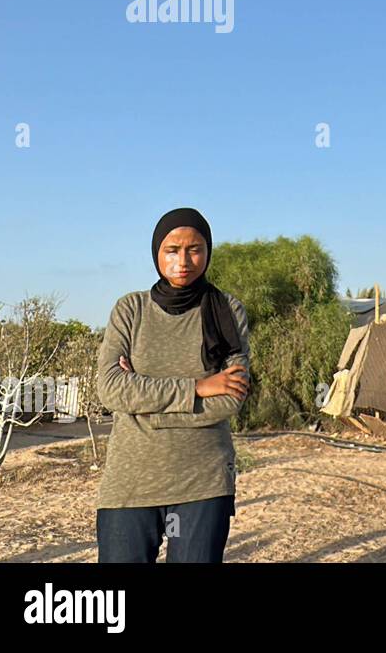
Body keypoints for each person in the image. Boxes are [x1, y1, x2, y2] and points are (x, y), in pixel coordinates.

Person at [94, 207, 250, 563]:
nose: (184, 260)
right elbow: (111, 388)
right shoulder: (130, 310)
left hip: (202, 481)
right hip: (130, 483)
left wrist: (143, 406)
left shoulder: (227, 311)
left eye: (194, 249)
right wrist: (197, 386)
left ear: (208, 251)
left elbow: (230, 400)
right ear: (156, 253)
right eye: (172, 250)